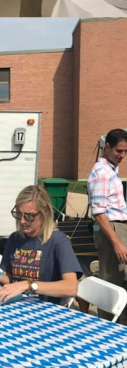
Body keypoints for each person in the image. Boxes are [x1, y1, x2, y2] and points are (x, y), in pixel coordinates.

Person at [0, 185, 81, 306]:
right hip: (20, 306)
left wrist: (29, 285)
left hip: (50, 310)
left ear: (45, 213)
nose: (22, 221)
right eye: (19, 215)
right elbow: (12, 281)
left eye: (29, 216)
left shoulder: (58, 241)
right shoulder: (14, 239)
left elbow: (71, 288)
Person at [87, 129, 127, 323]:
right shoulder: (101, 172)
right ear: (107, 147)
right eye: (119, 151)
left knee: (121, 279)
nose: (122, 156)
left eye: (125, 151)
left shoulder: (110, 168)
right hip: (112, 229)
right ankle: (107, 327)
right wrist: (116, 242)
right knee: (112, 281)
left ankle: (120, 323)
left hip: (119, 227)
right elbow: (99, 212)